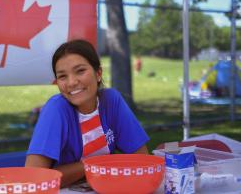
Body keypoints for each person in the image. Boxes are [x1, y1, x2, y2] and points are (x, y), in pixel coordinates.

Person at [25, 39, 149, 187]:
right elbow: (33, 178)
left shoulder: (112, 100)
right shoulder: (56, 109)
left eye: (80, 71)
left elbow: (143, 160)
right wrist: (94, 165)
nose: (71, 82)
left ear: (98, 73)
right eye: (62, 76)